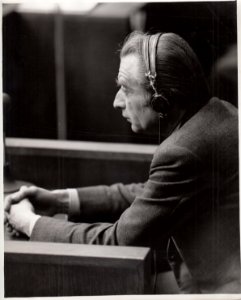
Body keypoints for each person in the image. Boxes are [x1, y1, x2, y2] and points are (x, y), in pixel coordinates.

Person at [4, 31, 240, 294]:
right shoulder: (218, 113)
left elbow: (118, 241)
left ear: (161, 99)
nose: (117, 102)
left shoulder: (183, 150)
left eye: (126, 89)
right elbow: (149, 193)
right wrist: (60, 200)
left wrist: (28, 222)